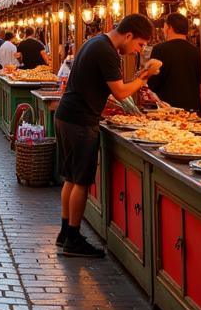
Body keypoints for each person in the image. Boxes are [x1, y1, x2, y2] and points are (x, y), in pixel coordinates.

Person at [55, 13, 158, 259]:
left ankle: (64, 233)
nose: (137, 51)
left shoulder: (95, 42)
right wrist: (144, 76)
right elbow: (121, 92)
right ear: (129, 35)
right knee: (80, 181)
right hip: (80, 121)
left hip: (67, 116)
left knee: (71, 177)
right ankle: (73, 239)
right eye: (139, 45)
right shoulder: (107, 51)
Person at [146, 13, 201, 113]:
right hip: (193, 108)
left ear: (168, 27)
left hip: (167, 108)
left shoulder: (159, 49)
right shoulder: (197, 51)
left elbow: (153, 82)